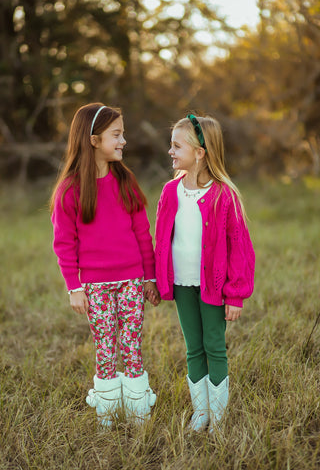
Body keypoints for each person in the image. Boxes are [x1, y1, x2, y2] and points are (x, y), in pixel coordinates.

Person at [50, 103, 160, 427]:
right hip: (94, 285)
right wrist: (74, 287)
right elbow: (64, 243)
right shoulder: (70, 190)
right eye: (117, 134)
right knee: (105, 344)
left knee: (132, 341)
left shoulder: (125, 181)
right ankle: (108, 409)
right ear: (94, 139)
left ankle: (139, 407)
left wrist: (149, 279)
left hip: (131, 280)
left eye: (122, 134)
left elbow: (143, 233)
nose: (123, 140)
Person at [154, 114, 255, 433]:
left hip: (213, 286)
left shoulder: (224, 195)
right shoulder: (170, 192)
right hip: (182, 284)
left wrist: (235, 293)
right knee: (192, 347)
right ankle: (201, 411)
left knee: (214, 346)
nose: (170, 151)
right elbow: (161, 240)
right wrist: (157, 280)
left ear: (200, 152)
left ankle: (219, 416)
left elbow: (240, 248)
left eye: (176, 146)